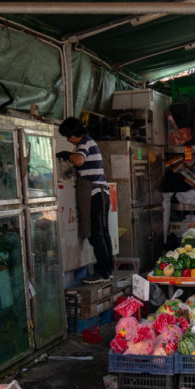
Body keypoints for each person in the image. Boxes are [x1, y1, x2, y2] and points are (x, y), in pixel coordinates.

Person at [57, 117, 114, 284]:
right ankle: (107, 270)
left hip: (95, 194)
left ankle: (103, 272)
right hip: (101, 194)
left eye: (68, 136)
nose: (68, 140)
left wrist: (68, 155)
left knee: (96, 234)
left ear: (74, 133)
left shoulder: (84, 144)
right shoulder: (88, 143)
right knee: (102, 233)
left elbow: (79, 160)